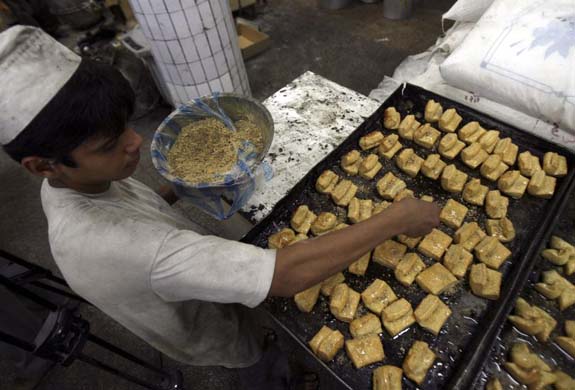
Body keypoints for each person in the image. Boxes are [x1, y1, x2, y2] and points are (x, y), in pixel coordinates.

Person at [0, 26, 440, 389]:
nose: (137, 142)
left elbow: (136, 207)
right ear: (42, 165)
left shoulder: (69, 183)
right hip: (205, 328)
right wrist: (394, 219)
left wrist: (179, 188)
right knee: (252, 363)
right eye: (111, 144)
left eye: (126, 126)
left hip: (180, 283)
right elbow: (283, 276)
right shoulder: (118, 245)